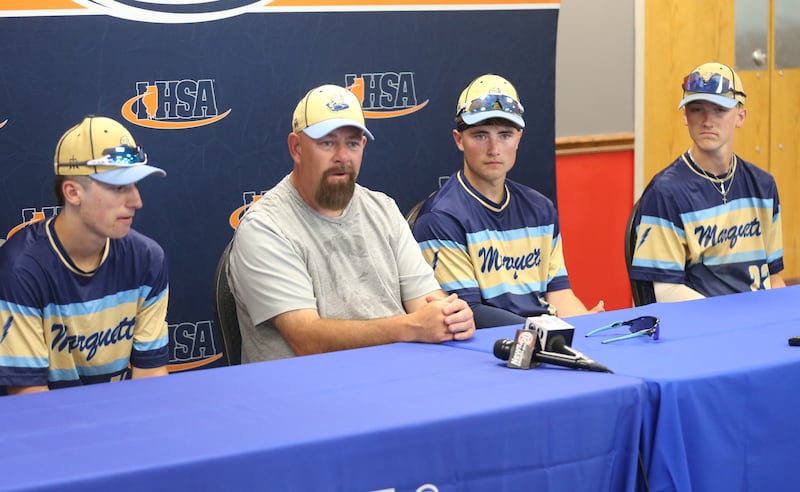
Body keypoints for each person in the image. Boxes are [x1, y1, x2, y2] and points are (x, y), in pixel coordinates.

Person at [228, 84, 475, 362]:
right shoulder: (265, 226)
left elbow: (427, 303)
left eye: (352, 143)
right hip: (304, 394)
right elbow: (306, 339)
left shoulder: (383, 208)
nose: (342, 157)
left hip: (393, 379)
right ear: (296, 148)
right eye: (327, 143)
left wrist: (449, 315)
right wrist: (412, 327)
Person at [412, 74, 603, 329]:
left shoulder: (541, 209)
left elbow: (559, 294)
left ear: (519, 138)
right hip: (485, 350)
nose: (494, 148)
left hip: (541, 338)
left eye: (505, 135)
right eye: (480, 135)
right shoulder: (439, 217)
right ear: (459, 140)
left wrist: (586, 329)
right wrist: (549, 331)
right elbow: (470, 313)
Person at [0, 115, 170, 394]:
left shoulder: (147, 259)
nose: (136, 201)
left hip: (121, 422)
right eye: (118, 187)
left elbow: (150, 376)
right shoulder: (21, 269)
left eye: (136, 185)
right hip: (49, 429)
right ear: (72, 192)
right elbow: (29, 403)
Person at [630, 62, 785, 301]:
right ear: (684, 116)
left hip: (757, 324)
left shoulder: (763, 187)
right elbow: (665, 291)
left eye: (719, 109)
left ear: (740, 116)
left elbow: (773, 277)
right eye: (696, 109)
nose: (707, 120)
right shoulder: (665, 193)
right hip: (701, 329)